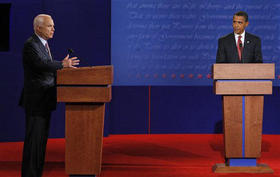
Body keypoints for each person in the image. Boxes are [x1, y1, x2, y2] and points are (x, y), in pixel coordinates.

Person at [19, 14, 80, 177]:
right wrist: (62, 64)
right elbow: (40, 65)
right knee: (33, 143)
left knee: (40, 144)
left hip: (45, 100)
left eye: (53, 25)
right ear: (38, 28)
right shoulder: (30, 44)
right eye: (49, 26)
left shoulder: (43, 44)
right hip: (36, 101)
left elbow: (46, 67)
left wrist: (62, 67)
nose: (53, 28)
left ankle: (36, 173)